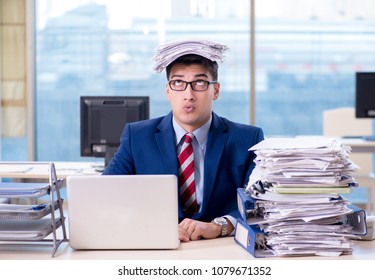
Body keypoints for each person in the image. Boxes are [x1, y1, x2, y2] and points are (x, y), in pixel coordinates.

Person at [103, 39, 264, 242]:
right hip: (157, 245)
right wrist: (154, 226)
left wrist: (218, 226)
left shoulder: (248, 139)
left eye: (199, 83)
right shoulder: (137, 137)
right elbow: (107, 195)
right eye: (178, 82)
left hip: (220, 247)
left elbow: (259, 202)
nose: (188, 95)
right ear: (168, 90)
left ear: (215, 90)